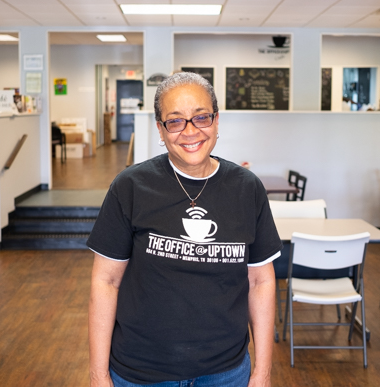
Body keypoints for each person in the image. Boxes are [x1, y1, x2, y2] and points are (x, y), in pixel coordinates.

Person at [87, 72, 282, 387]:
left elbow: (260, 282)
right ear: (160, 131)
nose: (190, 131)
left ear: (216, 121)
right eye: (175, 121)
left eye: (201, 117)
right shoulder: (131, 186)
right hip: (141, 372)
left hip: (226, 372)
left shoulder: (247, 189)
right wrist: (98, 375)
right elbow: (105, 281)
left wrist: (262, 373)